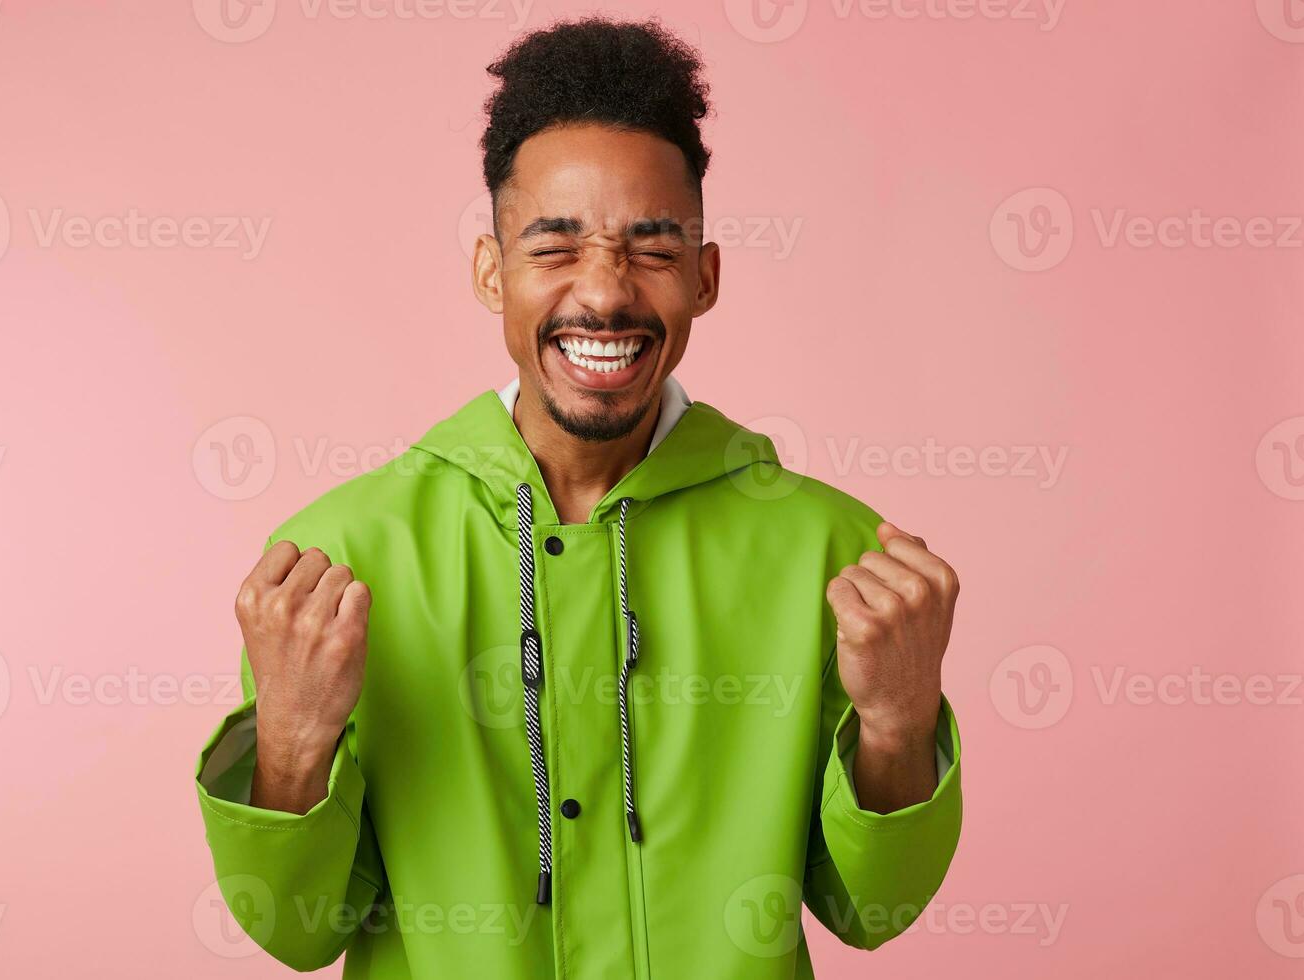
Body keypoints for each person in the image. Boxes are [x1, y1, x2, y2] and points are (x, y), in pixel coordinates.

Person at [194, 15, 962, 978]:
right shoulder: (338, 560)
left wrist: (898, 726)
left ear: (704, 277)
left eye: (651, 247)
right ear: (491, 270)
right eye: (554, 246)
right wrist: (291, 749)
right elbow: (297, 931)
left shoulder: (833, 553)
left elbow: (866, 911)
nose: (604, 293)